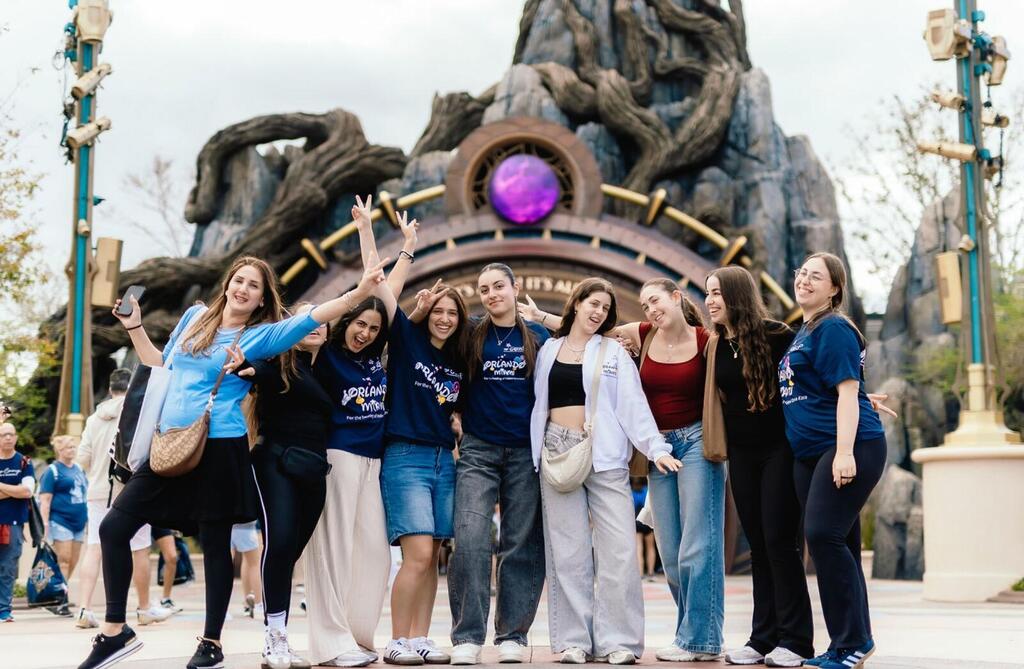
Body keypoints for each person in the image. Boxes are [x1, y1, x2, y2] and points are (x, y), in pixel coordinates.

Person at [77, 253, 391, 669]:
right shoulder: (194, 317)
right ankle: (115, 631)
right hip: (170, 444)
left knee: (215, 543)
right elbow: (160, 366)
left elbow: (310, 319)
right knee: (114, 526)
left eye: (254, 286)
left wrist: (362, 292)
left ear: (262, 299)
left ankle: (211, 643)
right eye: (239, 280)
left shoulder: (258, 336)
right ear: (228, 283)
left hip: (221, 446)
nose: (243, 289)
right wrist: (134, 325)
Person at [522, 278, 725, 662]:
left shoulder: (613, 352)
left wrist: (656, 448)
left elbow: (633, 406)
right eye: (592, 304)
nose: (597, 312)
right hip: (557, 455)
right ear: (577, 304)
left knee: (618, 552)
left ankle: (620, 642)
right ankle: (573, 641)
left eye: (604, 308)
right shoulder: (548, 350)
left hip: (605, 458)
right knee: (568, 553)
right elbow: (537, 405)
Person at [303, 196, 415, 668]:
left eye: (373, 327)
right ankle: (329, 643)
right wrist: (365, 231)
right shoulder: (327, 354)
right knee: (331, 552)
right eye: (359, 324)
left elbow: (383, 289)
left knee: (374, 552)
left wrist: (405, 248)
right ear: (345, 321)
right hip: (338, 457)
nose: (366, 332)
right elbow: (367, 286)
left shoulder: (376, 357)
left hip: (375, 460)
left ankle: (360, 636)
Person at [779, 253, 887, 669]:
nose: (804, 280)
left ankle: (855, 640)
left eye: (815, 276)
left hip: (846, 447)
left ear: (834, 289)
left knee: (823, 535)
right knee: (835, 543)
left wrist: (844, 453)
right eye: (801, 272)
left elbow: (845, 392)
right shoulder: (803, 331)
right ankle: (845, 645)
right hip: (810, 453)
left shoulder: (835, 328)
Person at [703, 267, 814, 667]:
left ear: (736, 294)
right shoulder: (715, 343)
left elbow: (813, 376)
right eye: (707, 294)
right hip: (742, 455)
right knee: (758, 549)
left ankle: (797, 641)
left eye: (717, 293)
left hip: (779, 450)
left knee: (781, 544)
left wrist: (859, 397)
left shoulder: (778, 335)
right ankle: (762, 638)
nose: (710, 301)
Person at [446, 263, 549, 666]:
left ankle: (513, 634)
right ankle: (467, 636)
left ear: (514, 288)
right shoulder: (470, 333)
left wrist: (543, 316)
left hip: (526, 452)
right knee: (470, 539)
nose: (491, 294)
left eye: (498, 286)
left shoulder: (538, 336)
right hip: (478, 450)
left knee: (520, 542)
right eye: (484, 289)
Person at [380, 274, 470, 665]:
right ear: (428, 312)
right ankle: (397, 638)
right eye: (439, 311)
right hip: (405, 457)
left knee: (432, 556)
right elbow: (383, 292)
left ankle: (420, 637)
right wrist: (406, 251)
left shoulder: (458, 359)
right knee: (415, 554)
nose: (445, 318)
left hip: (442, 460)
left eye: (452, 313)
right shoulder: (407, 341)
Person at [75, 368, 173, 630]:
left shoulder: (94, 419)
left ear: (110, 389)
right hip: (130, 491)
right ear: (131, 388)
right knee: (139, 548)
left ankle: (84, 608)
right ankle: (143, 608)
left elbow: (82, 457)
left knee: (94, 547)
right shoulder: (136, 411)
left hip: (97, 491)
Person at [38, 434, 89, 612]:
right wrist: (45, 526)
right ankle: (61, 600)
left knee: (73, 560)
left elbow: (85, 494)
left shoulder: (79, 469)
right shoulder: (53, 471)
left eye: (74, 447)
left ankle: (60, 591)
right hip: (60, 521)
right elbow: (45, 500)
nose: (72, 450)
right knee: (64, 560)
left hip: (79, 522)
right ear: (59, 450)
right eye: (68, 447)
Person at [0, 416, 34, 623]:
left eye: (11, 434)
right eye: (3, 434)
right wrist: (14, 490)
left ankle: (4, 609)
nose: (7, 438)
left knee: (8, 568)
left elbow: (27, 491)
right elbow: (19, 490)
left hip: (13, 524)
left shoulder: (23, 462)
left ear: (16, 437)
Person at [231, 521, 264, 620]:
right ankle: (258, 604)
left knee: (245, 559)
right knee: (254, 562)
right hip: (245, 520)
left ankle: (247, 602)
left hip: (225, 519)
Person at [630, 478, 656, 581]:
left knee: (639, 548)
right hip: (647, 520)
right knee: (651, 547)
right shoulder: (647, 490)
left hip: (637, 521)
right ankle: (651, 572)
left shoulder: (631, 491)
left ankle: (640, 573)